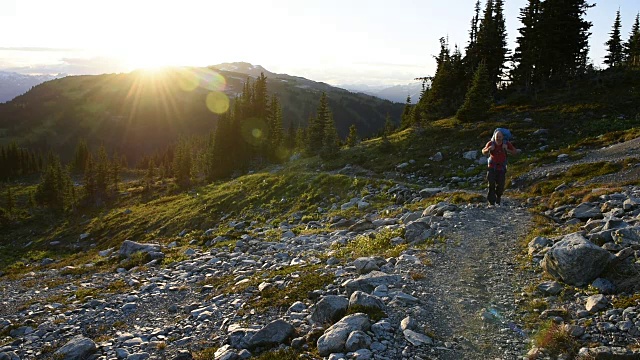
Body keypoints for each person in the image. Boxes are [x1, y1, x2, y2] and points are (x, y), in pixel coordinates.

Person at [482, 129, 519, 206]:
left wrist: (507, 149)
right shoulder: (490, 143)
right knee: (491, 184)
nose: (498, 138)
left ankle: (498, 197)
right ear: (494, 137)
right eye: (497, 137)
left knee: (500, 186)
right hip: (492, 167)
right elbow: (483, 151)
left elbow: (515, 152)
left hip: (501, 168)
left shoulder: (506, 144)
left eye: (500, 137)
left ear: (503, 137)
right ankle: (491, 202)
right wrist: (488, 149)